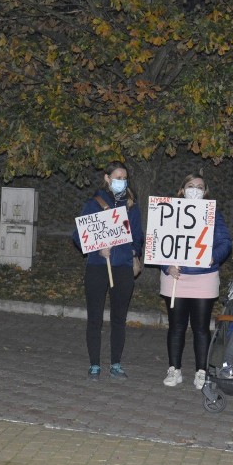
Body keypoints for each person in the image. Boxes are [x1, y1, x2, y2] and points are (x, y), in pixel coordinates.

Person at [72, 161, 144, 381]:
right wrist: (96, 247)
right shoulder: (94, 204)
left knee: (119, 319)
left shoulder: (131, 206)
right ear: (107, 178)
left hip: (121, 268)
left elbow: (137, 236)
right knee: (95, 318)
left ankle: (115, 364)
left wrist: (133, 255)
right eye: (117, 177)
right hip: (97, 267)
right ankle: (94, 364)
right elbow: (78, 235)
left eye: (124, 178)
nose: (121, 181)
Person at [161, 172, 232, 389]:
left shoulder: (213, 215)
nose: (195, 189)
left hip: (204, 277)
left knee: (201, 327)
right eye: (191, 186)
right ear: (182, 190)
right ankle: (174, 369)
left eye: (200, 187)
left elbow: (225, 243)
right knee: (176, 326)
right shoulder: (168, 213)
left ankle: (202, 371)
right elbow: (158, 241)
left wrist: (213, 257)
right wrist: (167, 266)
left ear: (205, 192)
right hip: (176, 277)